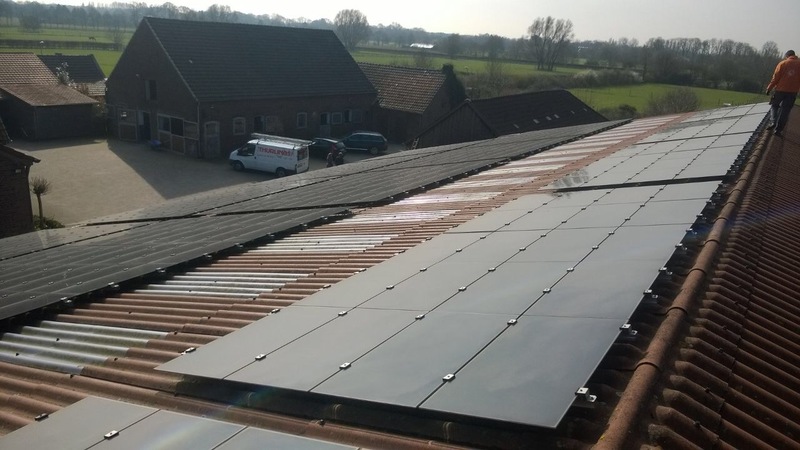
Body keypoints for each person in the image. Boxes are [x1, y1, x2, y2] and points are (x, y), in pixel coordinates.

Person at [765, 49, 800, 138]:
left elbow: (775, 78)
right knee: (785, 111)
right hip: (792, 92)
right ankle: (778, 130)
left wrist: (769, 88)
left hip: (780, 90)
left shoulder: (782, 63)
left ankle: (773, 121)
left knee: (774, 105)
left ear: (787, 56)